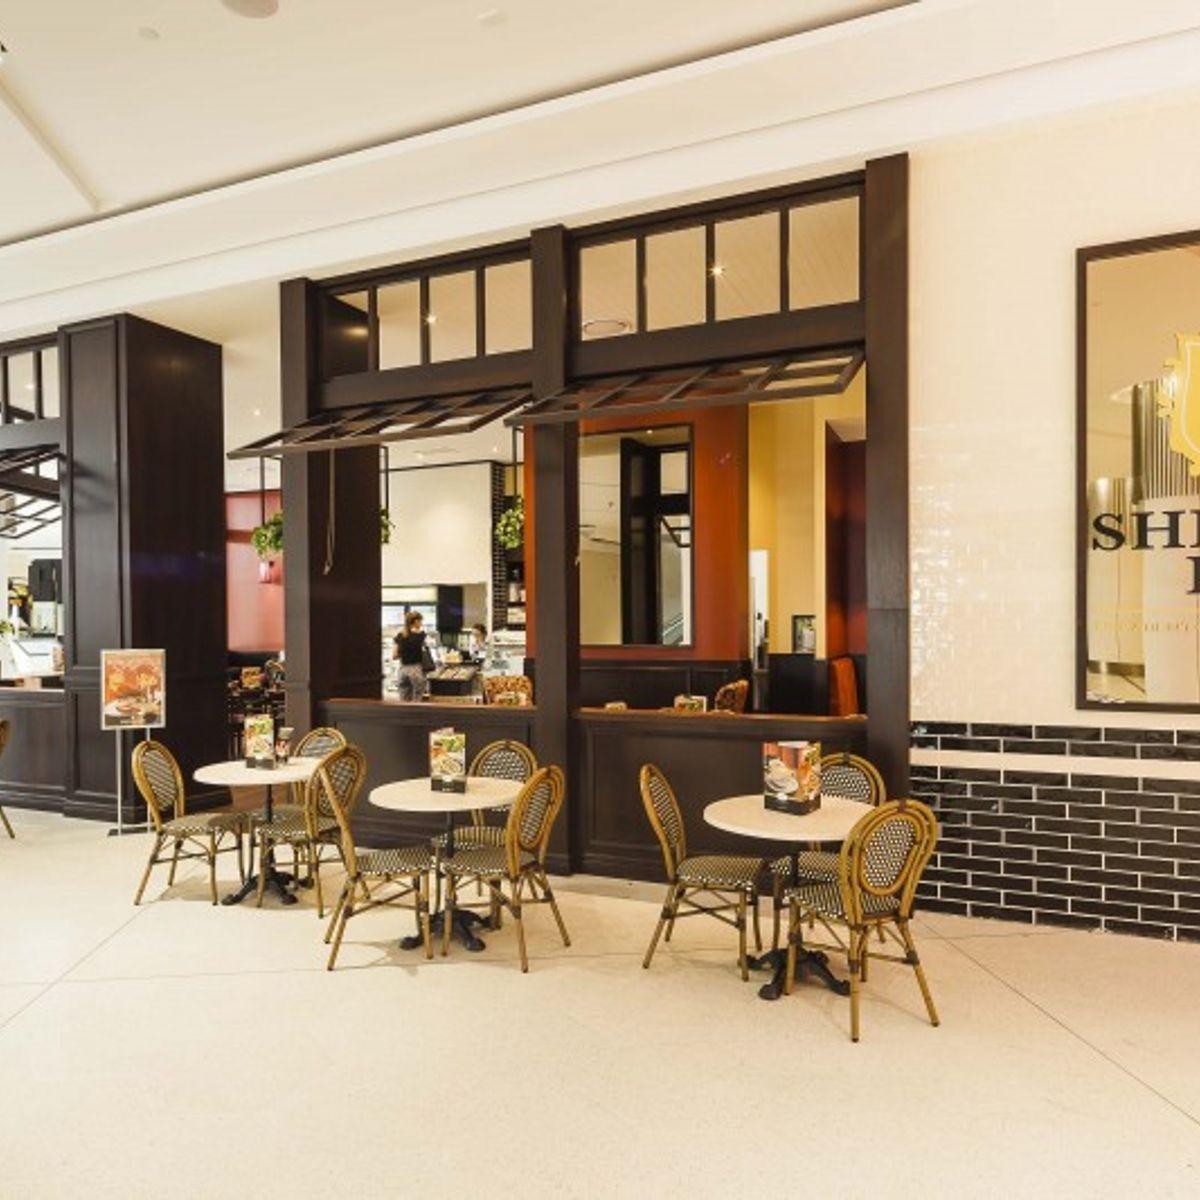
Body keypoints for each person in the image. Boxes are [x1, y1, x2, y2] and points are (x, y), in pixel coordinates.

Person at [393, 610, 428, 701]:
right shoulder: (421, 635)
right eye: (420, 621)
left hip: (402, 670)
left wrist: (405, 653)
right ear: (416, 621)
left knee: (403, 701)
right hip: (416, 669)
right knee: (416, 700)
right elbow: (425, 651)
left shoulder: (400, 635)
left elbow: (394, 656)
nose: (421, 624)